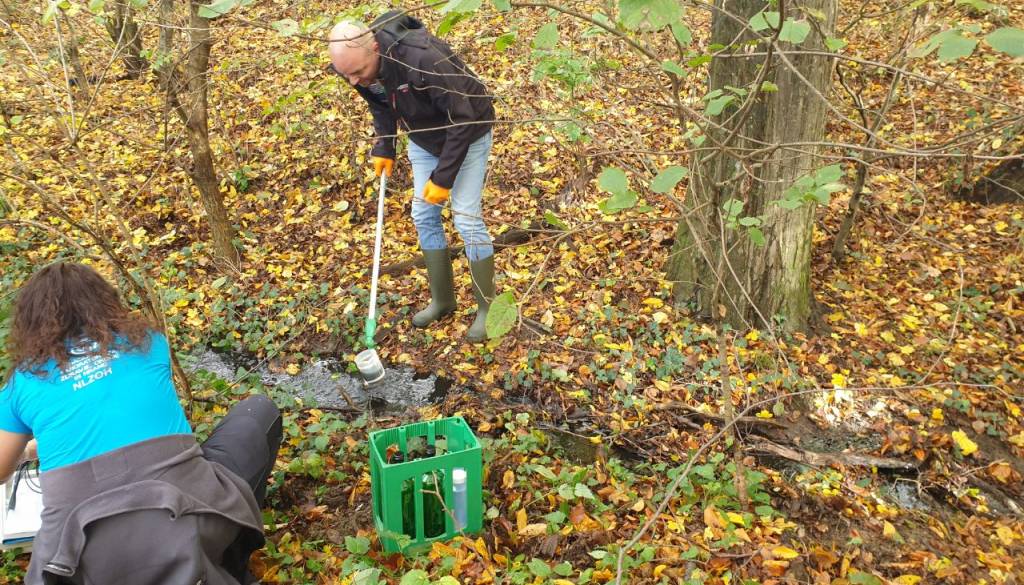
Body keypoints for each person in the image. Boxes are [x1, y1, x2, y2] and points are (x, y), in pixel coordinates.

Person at [0, 262, 283, 584]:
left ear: (30, 322)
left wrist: (28, 450)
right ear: (105, 303)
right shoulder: (148, 342)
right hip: (189, 518)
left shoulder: (20, 384)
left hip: (75, 566)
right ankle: (229, 557)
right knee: (258, 412)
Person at [328, 10, 498, 342]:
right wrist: (384, 146)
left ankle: (488, 310)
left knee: (466, 219)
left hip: (469, 132)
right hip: (422, 136)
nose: (353, 81)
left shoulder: (424, 61)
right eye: (346, 75)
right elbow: (379, 101)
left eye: (358, 71)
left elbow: (462, 120)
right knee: (423, 212)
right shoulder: (353, 66)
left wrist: (443, 178)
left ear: (374, 48)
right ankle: (443, 300)